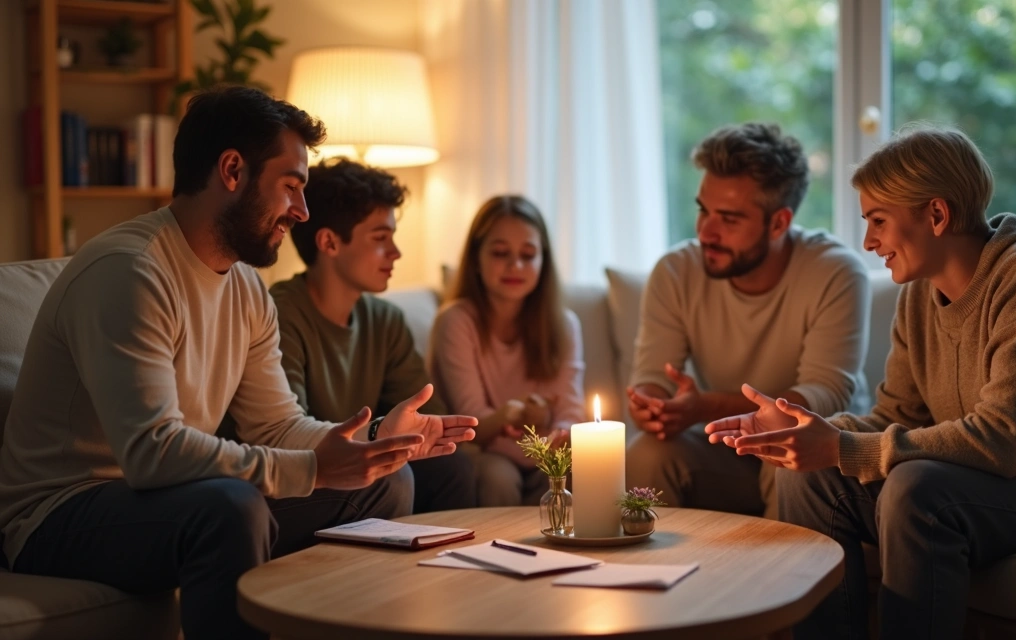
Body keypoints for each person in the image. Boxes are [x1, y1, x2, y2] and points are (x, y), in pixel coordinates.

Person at [0, 86, 476, 640]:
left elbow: (275, 425)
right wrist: (317, 469)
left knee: (385, 486)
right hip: (61, 513)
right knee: (230, 508)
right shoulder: (130, 272)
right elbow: (151, 452)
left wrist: (369, 444)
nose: (300, 211)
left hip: (164, 496)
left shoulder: (247, 289)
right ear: (231, 170)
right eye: (291, 187)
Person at [706, 124, 1016, 639]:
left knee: (918, 487)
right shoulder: (919, 296)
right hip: (1009, 488)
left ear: (936, 214)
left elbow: (1003, 440)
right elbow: (896, 418)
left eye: (878, 220)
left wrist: (840, 446)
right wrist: (805, 431)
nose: (868, 241)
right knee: (806, 474)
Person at [626, 122, 871, 517]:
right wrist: (654, 404)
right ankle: (654, 578)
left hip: (816, 450)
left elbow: (825, 395)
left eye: (729, 218)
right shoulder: (675, 271)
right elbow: (653, 375)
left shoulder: (836, 273)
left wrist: (703, 407)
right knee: (647, 453)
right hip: (725, 450)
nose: (706, 232)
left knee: (784, 456)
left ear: (779, 223)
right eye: (703, 210)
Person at [271, 157, 476, 513]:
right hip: (304, 475)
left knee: (453, 466)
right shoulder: (280, 314)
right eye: (381, 238)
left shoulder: (385, 320)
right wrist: (380, 433)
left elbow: (428, 417)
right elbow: (288, 437)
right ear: (329, 243)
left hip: (367, 459)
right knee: (391, 478)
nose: (396, 253)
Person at [428, 195, 585, 507]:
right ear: (476, 257)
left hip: (541, 449)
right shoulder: (456, 321)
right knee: (498, 476)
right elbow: (473, 422)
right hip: (481, 453)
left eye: (528, 255)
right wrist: (523, 424)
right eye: (501, 253)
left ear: (544, 260)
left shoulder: (564, 324)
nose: (515, 265)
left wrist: (559, 433)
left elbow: (570, 413)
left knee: (577, 471)